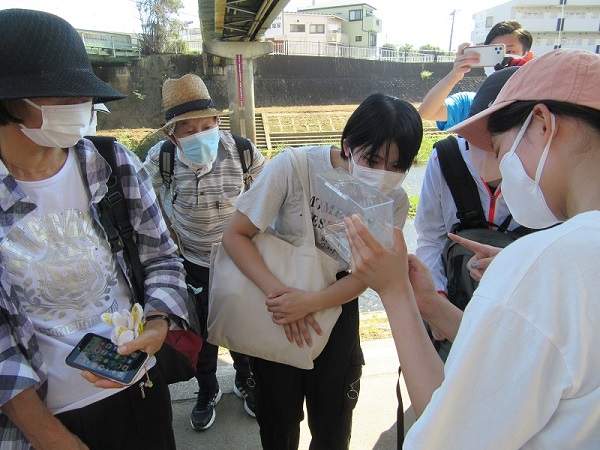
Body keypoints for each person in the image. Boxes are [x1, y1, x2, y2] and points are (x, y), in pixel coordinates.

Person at [345, 48, 600, 448]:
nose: (496, 167)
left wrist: (395, 292)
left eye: (498, 149)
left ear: (542, 125)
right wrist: (432, 305)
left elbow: (443, 438)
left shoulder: (544, 266)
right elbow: (530, 360)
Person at [0, 8, 190, 450]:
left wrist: (157, 324)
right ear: (9, 101)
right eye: (63, 95)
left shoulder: (111, 163)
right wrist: (53, 440)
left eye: (84, 94)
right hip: (46, 423)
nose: (82, 105)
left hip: (140, 391)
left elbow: (162, 257)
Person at [221, 93, 423, 449]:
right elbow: (235, 236)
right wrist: (283, 298)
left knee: (333, 425)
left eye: (396, 166)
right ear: (347, 145)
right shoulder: (294, 166)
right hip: (279, 305)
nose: (383, 174)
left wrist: (311, 302)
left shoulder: (394, 200)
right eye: (372, 160)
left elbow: (367, 274)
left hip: (338, 307)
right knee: (278, 423)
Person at [143, 73, 266, 430]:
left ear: (217, 122)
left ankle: (245, 379)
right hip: (193, 262)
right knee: (204, 333)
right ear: (172, 135)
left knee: (242, 325)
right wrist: (166, 234)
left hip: (240, 259)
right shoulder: (162, 158)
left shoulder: (242, 151)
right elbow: (141, 199)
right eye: (189, 130)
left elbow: (271, 193)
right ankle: (208, 388)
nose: (200, 134)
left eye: (207, 126)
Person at [415, 67, 522, 359]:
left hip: (517, 320)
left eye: (495, 145)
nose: (484, 154)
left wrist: (514, 266)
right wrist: (437, 302)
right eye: (474, 139)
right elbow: (431, 237)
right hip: (453, 302)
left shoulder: (545, 179)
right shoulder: (445, 159)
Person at [418, 20, 533, 131]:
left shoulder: (536, 103)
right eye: (494, 53)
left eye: (510, 51)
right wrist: (454, 75)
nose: (502, 59)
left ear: (527, 57)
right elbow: (427, 112)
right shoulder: (471, 103)